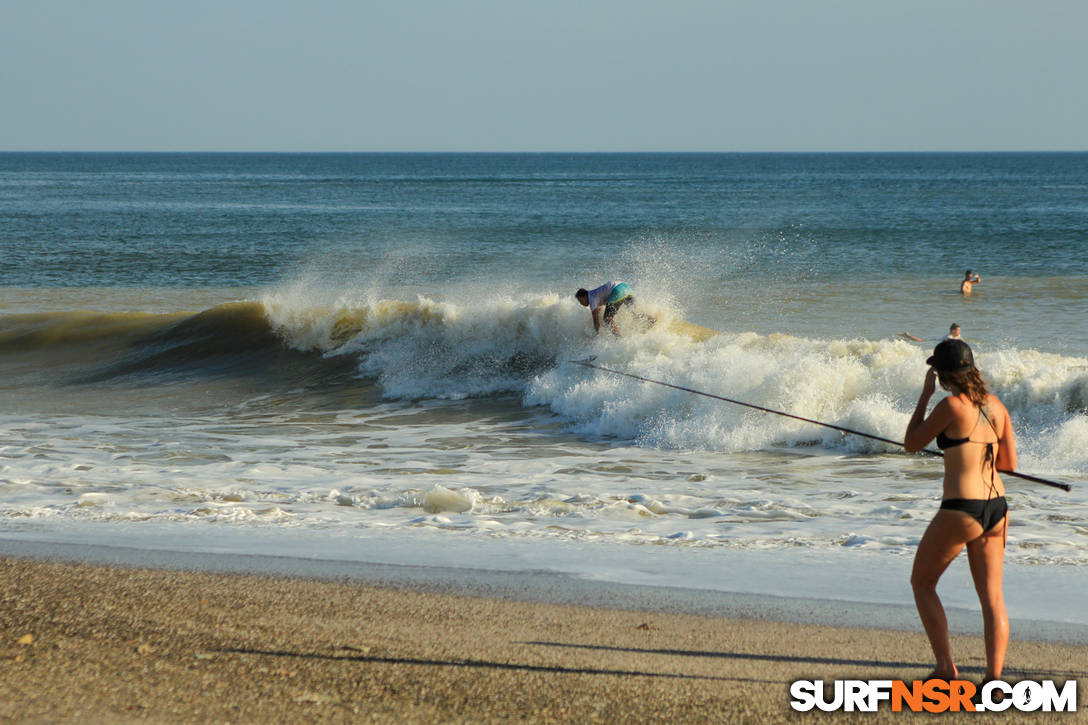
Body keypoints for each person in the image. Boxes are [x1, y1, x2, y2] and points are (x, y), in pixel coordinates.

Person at [904, 339, 1017, 685]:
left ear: (941, 374)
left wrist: (923, 398)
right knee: (993, 599)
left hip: (960, 509)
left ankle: (945, 668)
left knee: (922, 583)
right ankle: (994, 682)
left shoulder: (950, 406)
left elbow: (911, 443)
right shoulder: (997, 406)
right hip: (997, 508)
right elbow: (1008, 464)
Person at [575, 281, 649, 335]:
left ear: (584, 296)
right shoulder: (595, 293)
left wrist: (596, 334)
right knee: (634, 314)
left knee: (607, 318)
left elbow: (596, 321)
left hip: (618, 291)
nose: (581, 303)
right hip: (627, 288)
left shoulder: (591, 298)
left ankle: (618, 338)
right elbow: (599, 308)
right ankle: (652, 320)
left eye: (580, 301)